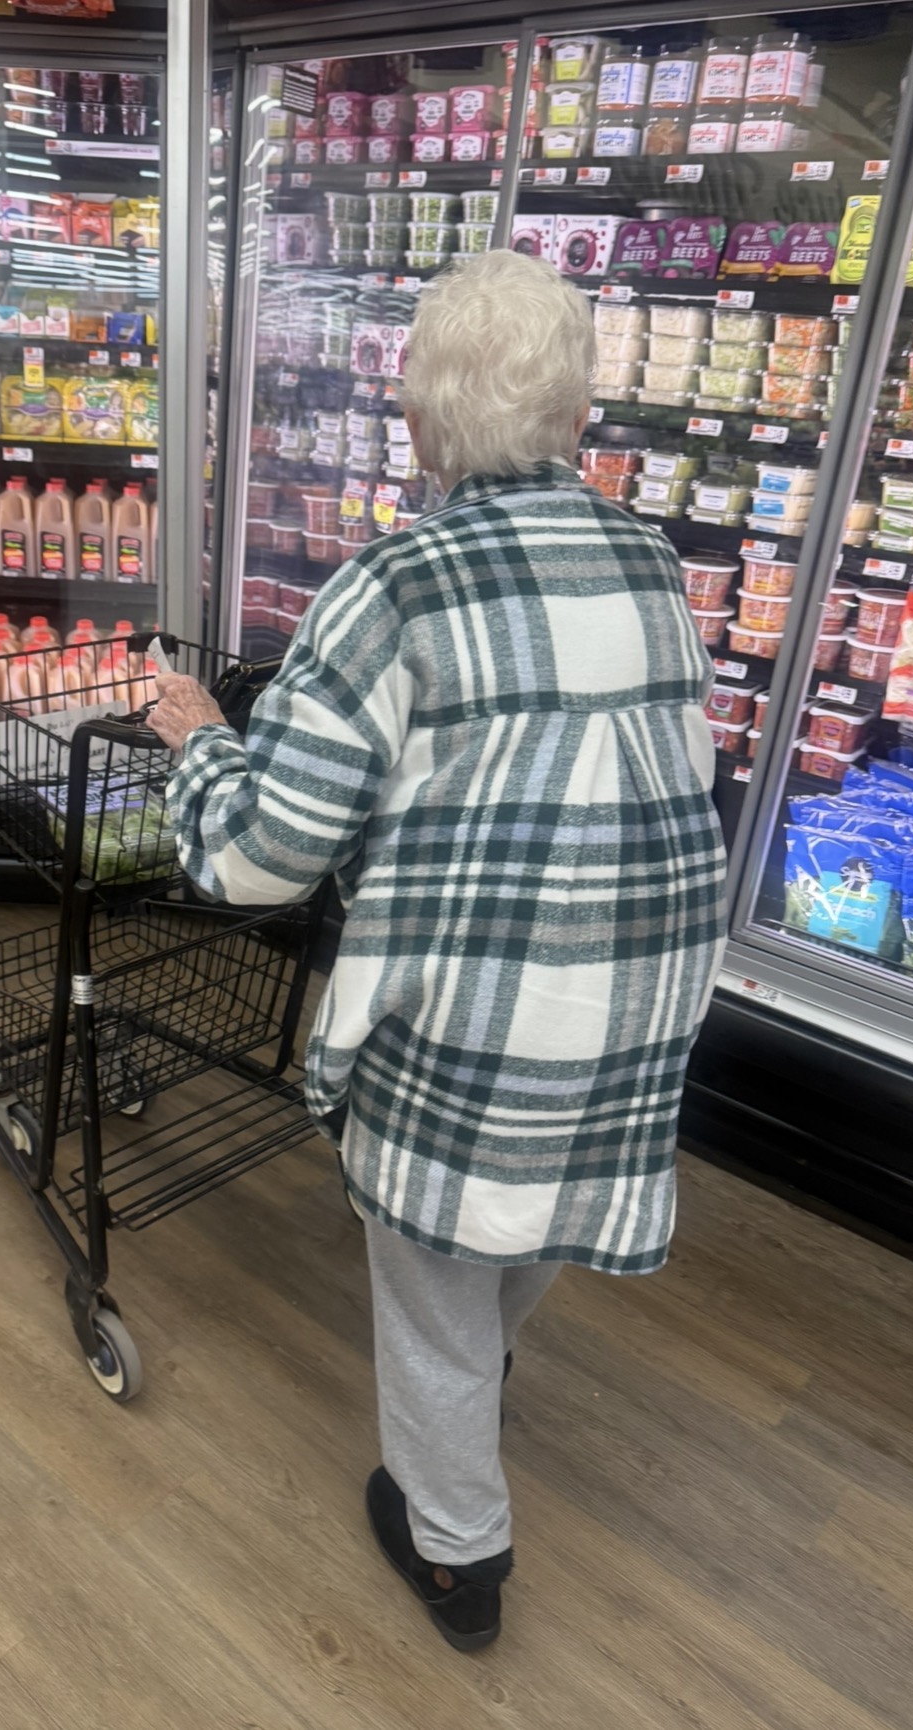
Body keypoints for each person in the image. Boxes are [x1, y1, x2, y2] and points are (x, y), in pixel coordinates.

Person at [147, 249, 728, 1653]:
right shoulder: (652, 560)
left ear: (415, 422)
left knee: (432, 1288)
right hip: (642, 996)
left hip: (477, 1011)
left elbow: (256, 856)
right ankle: (481, 1374)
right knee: (515, 1235)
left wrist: (196, 742)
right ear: (580, 416)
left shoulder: (394, 589)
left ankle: (460, 1552)